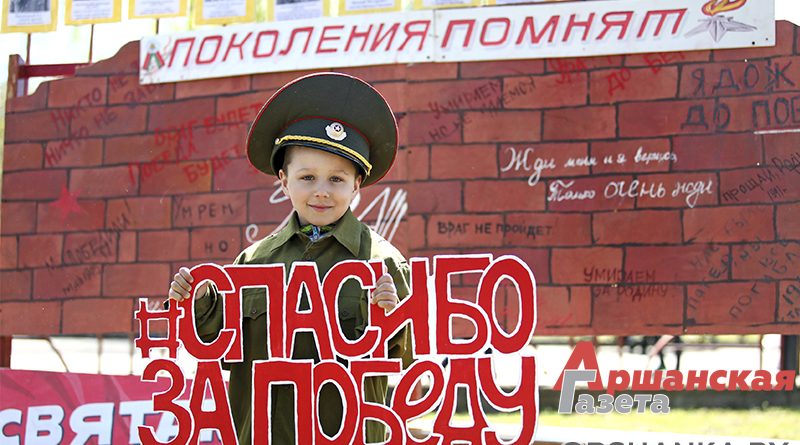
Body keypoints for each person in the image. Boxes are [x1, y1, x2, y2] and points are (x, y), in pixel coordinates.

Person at [167, 72, 411, 444]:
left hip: (349, 436)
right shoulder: (252, 262)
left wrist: (394, 318)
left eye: (337, 179)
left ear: (357, 184)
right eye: (307, 177)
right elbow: (216, 348)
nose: (322, 192)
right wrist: (197, 301)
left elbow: (407, 361)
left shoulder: (384, 264)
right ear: (284, 180)